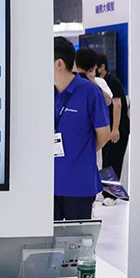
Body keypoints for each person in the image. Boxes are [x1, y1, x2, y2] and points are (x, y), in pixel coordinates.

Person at [54, 37, 111, 221]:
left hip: (79, 184)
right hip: (48, 184)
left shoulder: (89, 92)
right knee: (47, 238)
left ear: (59, 63)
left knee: (77, 238)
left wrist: (81, 151)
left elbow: (104, 134)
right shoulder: (44, 92)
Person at [96, 53, 130, 179]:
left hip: (118, 128)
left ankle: (112, 190)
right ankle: (107, 189)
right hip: (109, 127)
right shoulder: (101, 83)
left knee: (113, 163)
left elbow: (117, 105)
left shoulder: (112, 81)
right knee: (107, 162)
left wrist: (115, 129)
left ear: (102, 67)